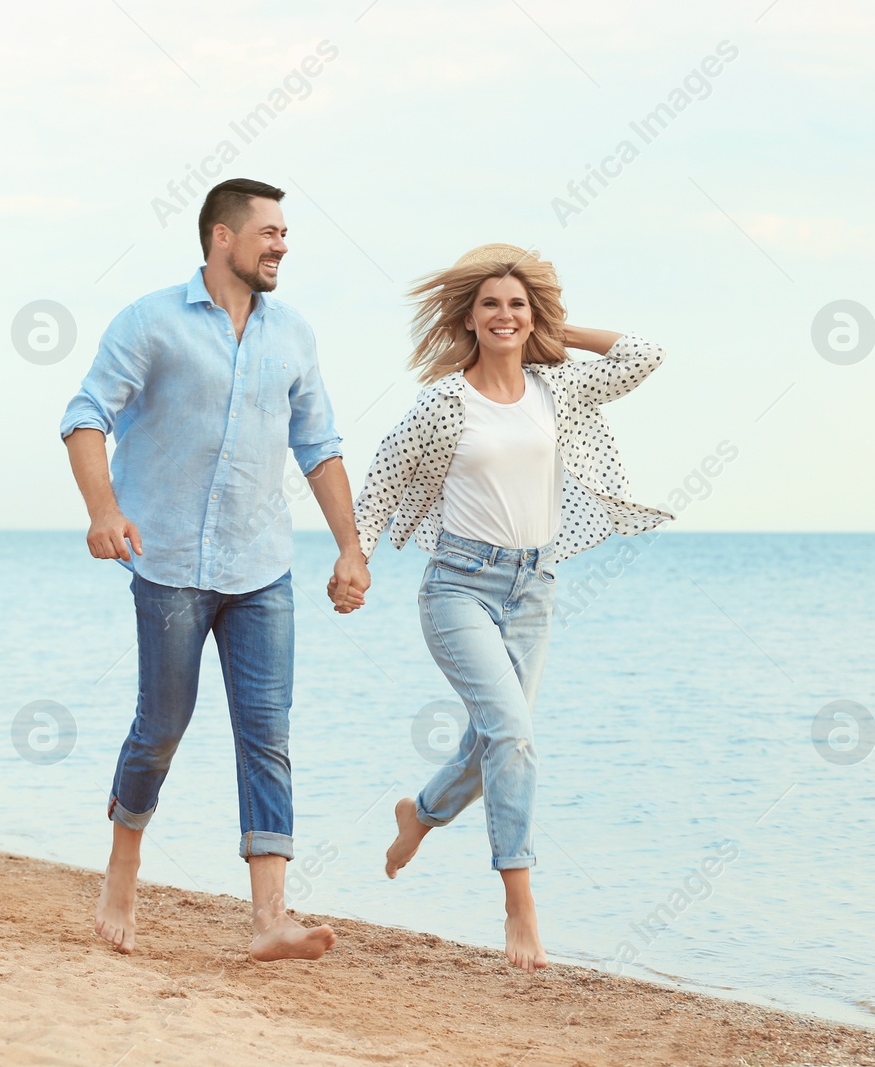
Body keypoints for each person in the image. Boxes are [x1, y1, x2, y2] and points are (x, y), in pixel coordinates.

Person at [336, 243, 671, 973]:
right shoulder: (445, 402)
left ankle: (418, 815)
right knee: (513, 734)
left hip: (533, 589)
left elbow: (645, 355)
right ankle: (520, 904)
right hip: (458, 586)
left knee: (494, 742)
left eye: (517, 303)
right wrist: (353, 557)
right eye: (491, 303)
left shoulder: (557, 389)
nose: (504, 314)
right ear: (468, 317)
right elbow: (384, 478)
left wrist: (558, 332)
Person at [60, 177, 371, 960]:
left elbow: (320, 446)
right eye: (269, 231)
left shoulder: (293, 333)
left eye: (286, 232)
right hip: (165, 559)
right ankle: (124, 860)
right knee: (161, 727)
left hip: (262, 565)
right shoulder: (151, 321)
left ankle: (270, 917)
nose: (282, 244)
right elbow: (86, 415)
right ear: (222, 237)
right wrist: (103, 508)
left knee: (267, 733)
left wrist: (350, 546)